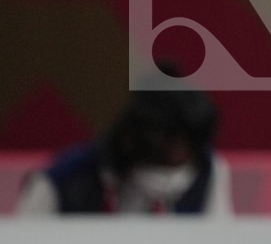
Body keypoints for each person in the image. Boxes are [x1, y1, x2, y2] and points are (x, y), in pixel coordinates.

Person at [16, 83, 232, 216]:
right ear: (129, 140)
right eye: (170, 149)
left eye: (190, 148)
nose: (182, 160)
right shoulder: (59, 181)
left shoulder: (208, 168)